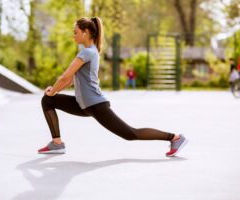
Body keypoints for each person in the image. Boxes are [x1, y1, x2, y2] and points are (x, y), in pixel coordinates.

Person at [38, 17, 188, 157]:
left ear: (86, 33)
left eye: (75, 32)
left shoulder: (87, 52)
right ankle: (57, 143)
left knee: (130, 134)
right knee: (47, 101)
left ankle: (175, 138)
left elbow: (65, 76)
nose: (73, 36)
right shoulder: (87, 51)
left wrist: (53, 91)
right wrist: (53, 92)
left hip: (96, 105)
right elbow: (69, 80)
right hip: (83, 104)